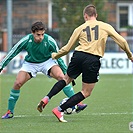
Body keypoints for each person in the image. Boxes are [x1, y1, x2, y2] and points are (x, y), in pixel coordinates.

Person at [37, 4, 133, 122]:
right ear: (96, 15)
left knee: (66, 79)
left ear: (85, 16)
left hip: (78, 55)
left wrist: (54, 56)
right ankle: (59, 109)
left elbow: (67, 49)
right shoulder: (105, 26)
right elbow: (122, 41)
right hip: (92, 59)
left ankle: (47, 97)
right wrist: (129, 55)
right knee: (86, 92)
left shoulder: (79, 28)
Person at [0, 21, 87, 119]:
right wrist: (1, 66)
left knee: (62, 77)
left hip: (47, 62)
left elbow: (58, 57)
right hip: (30, 64)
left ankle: (78, 103)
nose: (40, 37)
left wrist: (67, 72)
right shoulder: (26, 40)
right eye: (38, 35)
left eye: (42, 34)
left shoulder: (49, 41)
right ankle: (9, 112)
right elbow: (12, 52)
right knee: (17, 83)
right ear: (32, 33)